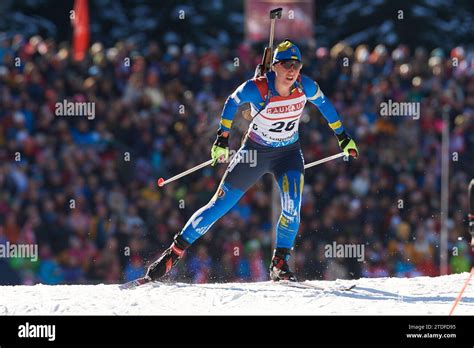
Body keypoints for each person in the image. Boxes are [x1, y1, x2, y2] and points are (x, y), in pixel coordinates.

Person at [145, 40, 359, 282]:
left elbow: (324, 105)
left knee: (292, 207)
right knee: (219, 206)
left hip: (288, 154)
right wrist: (222, 140)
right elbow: (231, 102)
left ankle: (279, 264)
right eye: (286, 65)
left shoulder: (305, 86)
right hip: (255, 153)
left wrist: (343, 137)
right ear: (275, 66)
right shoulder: (257, 88)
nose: (292, 71)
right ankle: (174, 253)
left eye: (296, 65)